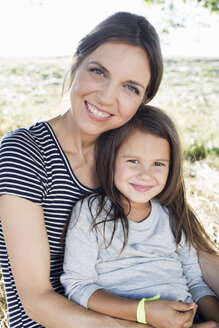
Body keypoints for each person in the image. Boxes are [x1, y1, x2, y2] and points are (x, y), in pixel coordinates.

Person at [0, 10, 218, 328]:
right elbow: (37, 301)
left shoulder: (134, 156)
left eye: (130, 87)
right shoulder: (25, 152)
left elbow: (197, 254)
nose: (106, 97)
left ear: (144, 99)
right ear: (75, 61)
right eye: (99, 71)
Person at [61, 105, 219, 328]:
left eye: (158, 164)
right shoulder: (91, 213)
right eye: (133, 161)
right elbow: (78, 286)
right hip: (127, 322)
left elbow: (195, 281)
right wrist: (143, 312)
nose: (145, 175)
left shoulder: (172, 215)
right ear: (110, 158)